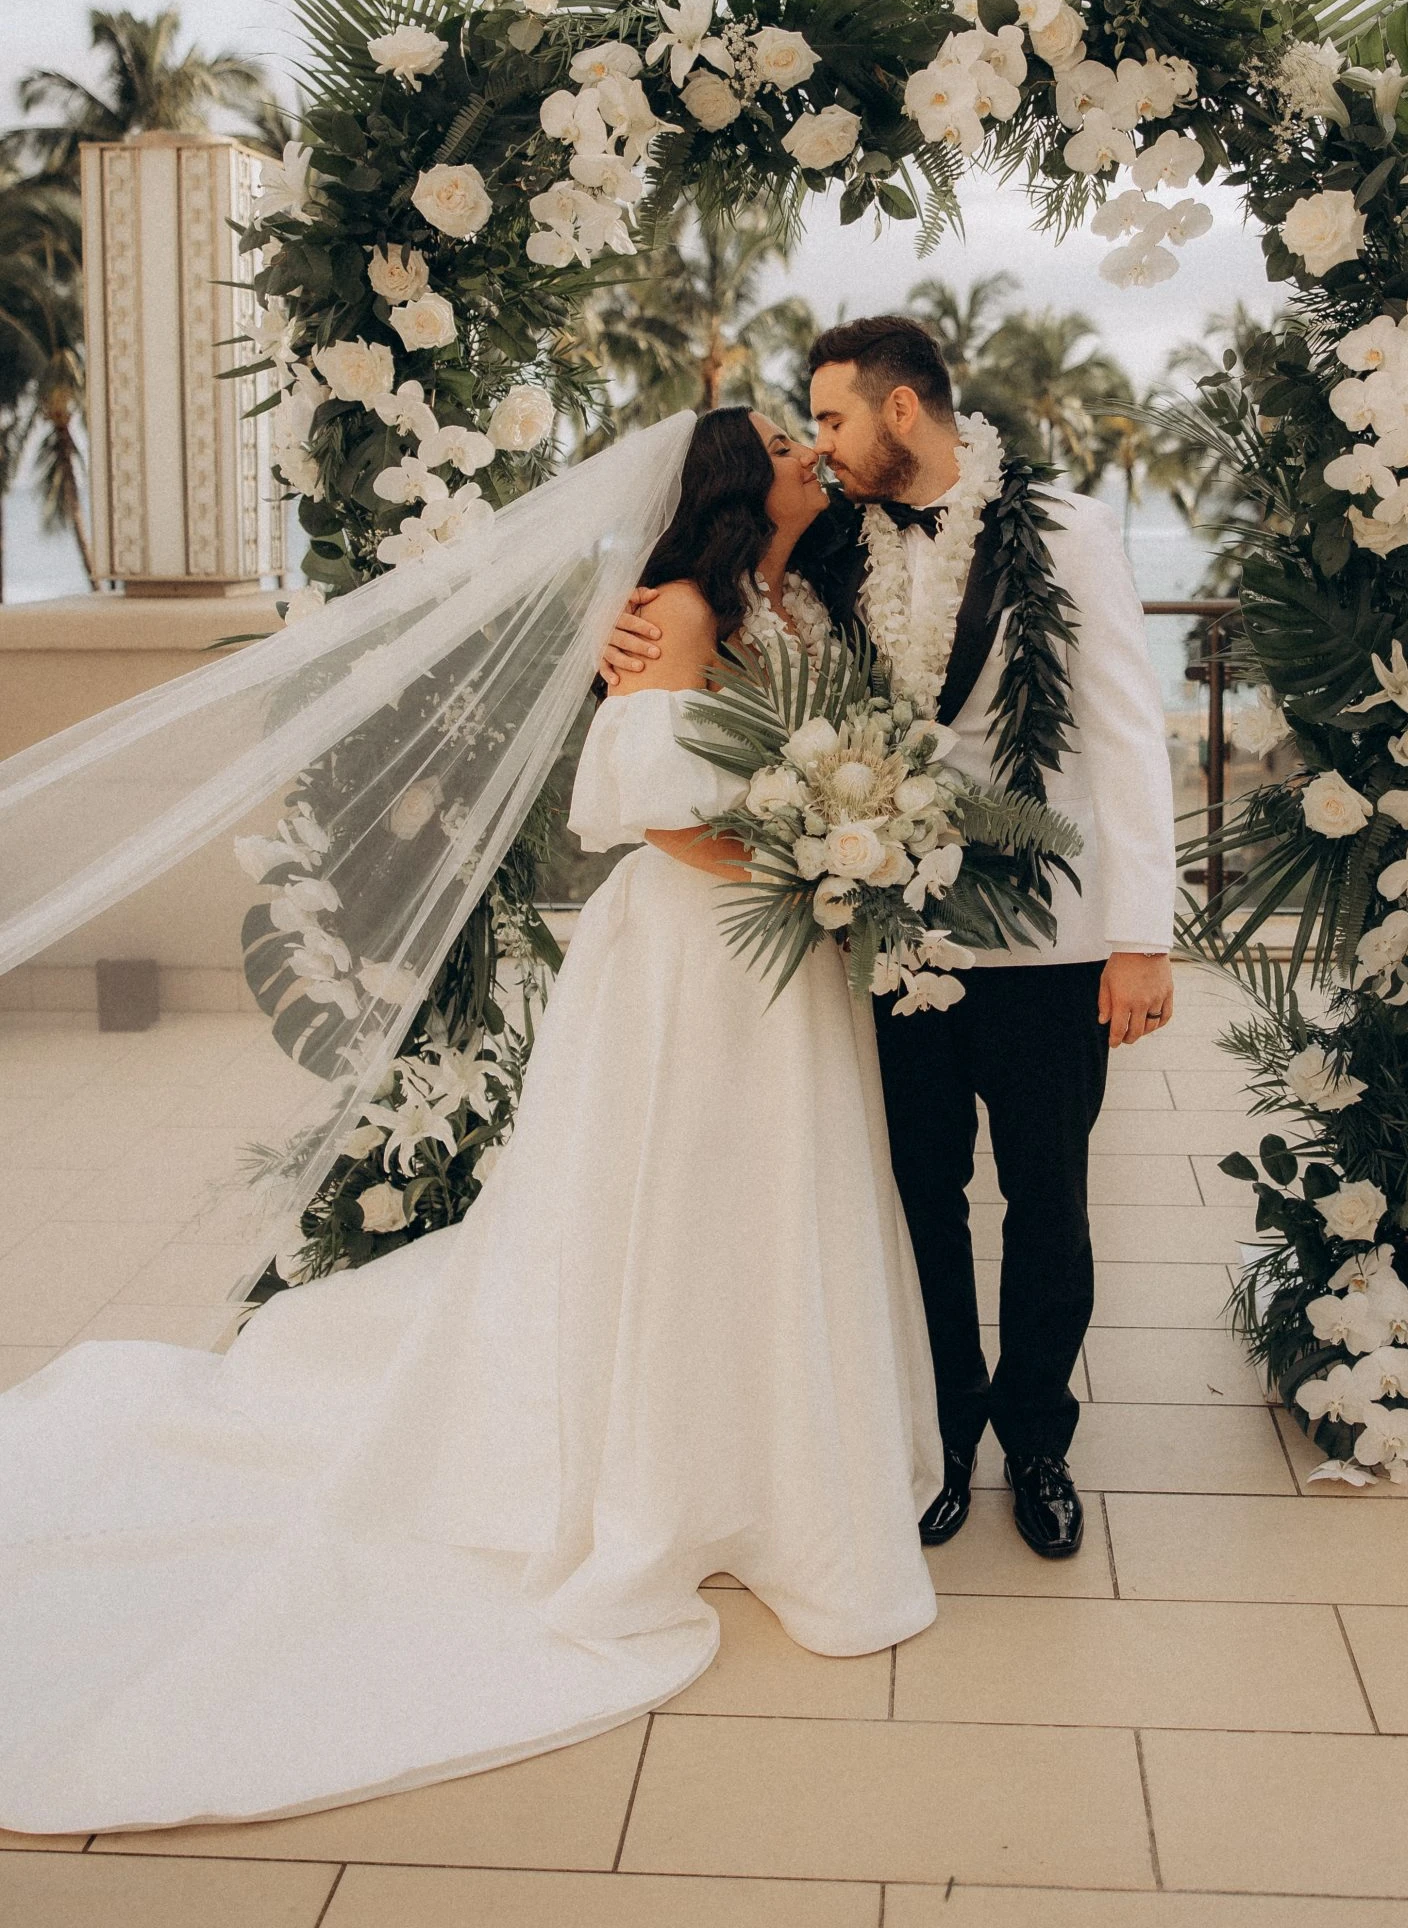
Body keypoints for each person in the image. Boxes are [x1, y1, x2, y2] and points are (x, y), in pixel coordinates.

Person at [0, 408, 938, 1834]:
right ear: (741, 490)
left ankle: (776, 1453)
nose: (810, 452)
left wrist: (839, 849)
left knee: (769, 1199)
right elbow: (640, 797)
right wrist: (814, 856)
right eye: (784, 442)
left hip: (775, 959)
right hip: (696, 956)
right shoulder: (679, 606)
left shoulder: (790, 604)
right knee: (682, 1199)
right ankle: (674, 1465)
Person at [602, 317, 1177, 1561]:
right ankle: (940, 1437)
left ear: (902, 410)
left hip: (1049, 937)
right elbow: (727, 622)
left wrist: (1141, 938)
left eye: (834, 419)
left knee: (1048, 1203)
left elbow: (1129, 731)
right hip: (884, 935)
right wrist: (633, 640)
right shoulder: (834, 552)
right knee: (915, 1198)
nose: (822, 446)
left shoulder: (1067, 531)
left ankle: (1038, 1444)